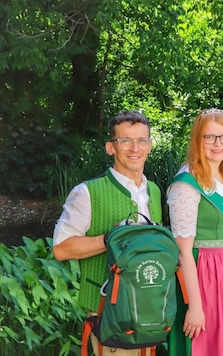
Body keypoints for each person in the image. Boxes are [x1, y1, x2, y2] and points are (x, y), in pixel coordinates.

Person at [53, 110, 160, 355]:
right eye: (125, 141)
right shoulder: (86, 192)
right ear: (110, 147)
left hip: (148, 308)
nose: (135, 148)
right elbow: (60, 249)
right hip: (108, 310)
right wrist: (110, 238)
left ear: (150, 146)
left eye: (141, 140)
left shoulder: (153, 190)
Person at [166, 109, 223, 355]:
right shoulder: (187, 182)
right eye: (209, 137)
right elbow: (182, 251)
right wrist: (194, 305)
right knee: (208, 345)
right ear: (197, 140)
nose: (218, 144)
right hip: (205, 274)